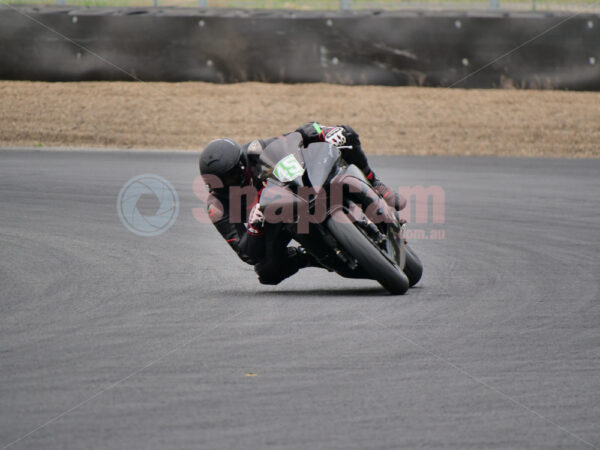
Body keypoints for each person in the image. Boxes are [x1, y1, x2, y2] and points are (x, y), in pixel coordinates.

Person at [199, 122, 406, 285]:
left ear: (241, 165)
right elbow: (246, 254)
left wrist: (319, 131)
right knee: (267, 272)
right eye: (219, 181)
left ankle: (375, 183)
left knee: (346, 133)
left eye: (229, 177)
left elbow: (293, 138)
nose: (226, 184)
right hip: (273, 221)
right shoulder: (217, 206)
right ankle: (310, 257)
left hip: (299, 189)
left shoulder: (254, 152)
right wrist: (254, 227)